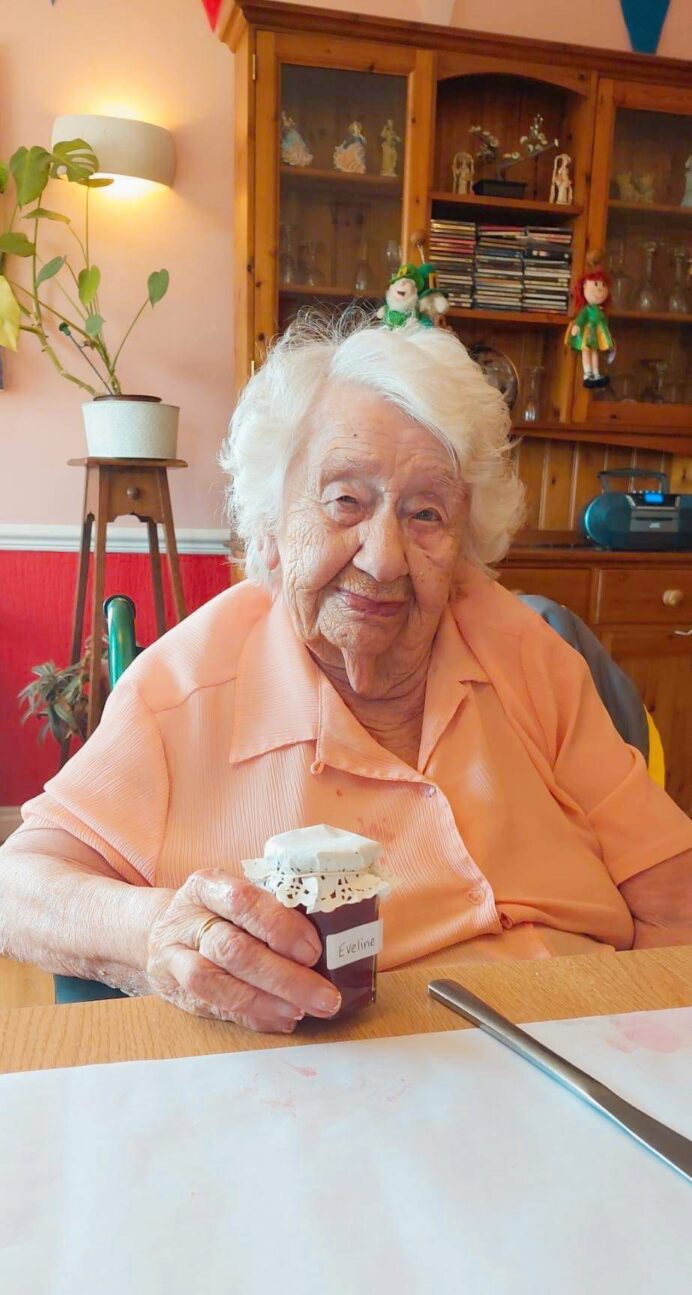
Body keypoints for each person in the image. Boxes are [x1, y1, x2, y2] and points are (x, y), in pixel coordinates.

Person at [2, 315, 691, 1034]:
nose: (384, 557)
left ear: (464, 546)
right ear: (270, 526)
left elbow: (674, 901)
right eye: (345, 502)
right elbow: (18, 885)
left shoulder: (525, 653)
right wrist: (159, 933)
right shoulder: (183, 693)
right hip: (338, 1071)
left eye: (426, 514)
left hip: (590, 1042)